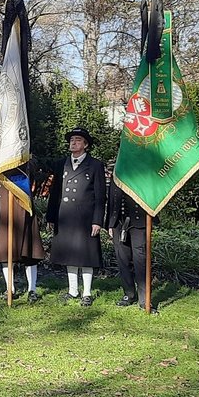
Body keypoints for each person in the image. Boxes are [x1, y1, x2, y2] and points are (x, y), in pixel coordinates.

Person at [46, 127, 107, 307]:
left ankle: (87, 292)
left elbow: (100, 196)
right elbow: (55, 192)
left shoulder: (95, 165)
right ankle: (73, 290)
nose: (73, 143)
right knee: (69, 255)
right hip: (65, 216)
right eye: (72, 140)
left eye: (78, 140)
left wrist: (97, 220)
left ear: (86, 145)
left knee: (86, 256)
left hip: (85, 218)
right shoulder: (61, 164)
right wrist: (51, 217)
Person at [0, 179, 46, 302]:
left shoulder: (22, 172)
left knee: (29, 252)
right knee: (5, 253)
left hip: (23, 211)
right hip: (2, 215)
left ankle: (32, 290)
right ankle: (10, 289)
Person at [108, 175, 154, 309]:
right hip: (118, 222)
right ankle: (129, 294)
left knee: (140, 260)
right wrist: (110, 223)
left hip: (139, 221)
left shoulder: (143, 173)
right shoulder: (118, 172)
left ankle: (144, 299)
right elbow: (111, 199)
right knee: (122, 259)